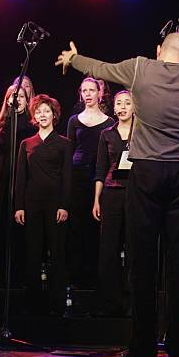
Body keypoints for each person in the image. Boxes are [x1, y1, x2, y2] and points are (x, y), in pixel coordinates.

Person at [55, 33, 179, 357]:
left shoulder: (140, 68)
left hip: (146, 173)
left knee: (143, 263)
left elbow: (101, 68)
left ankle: (143, 347)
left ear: (157, 51)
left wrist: (75, 59)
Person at [15, 94, 72, 314]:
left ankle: (56, 304)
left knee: (56, 252)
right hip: (31, 204)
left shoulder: (64, 143)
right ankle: (33, 304)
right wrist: (19, 206)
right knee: (33, 253)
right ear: (34, 116)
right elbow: (21, 177)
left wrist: (64, 205)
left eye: (47, 111)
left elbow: (67, 177)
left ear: (54, 114)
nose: (42, 115)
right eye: (39, 112)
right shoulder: (26, 144)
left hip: (55, 204)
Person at [66, 77, 114, 289]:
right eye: (83, 90)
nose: (87, 94)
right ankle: (75, 277)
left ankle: (94, 276)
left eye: (91, 90)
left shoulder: (109, 122)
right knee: (76, 227)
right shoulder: (74, 120)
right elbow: (69, 152)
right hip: (77, 176)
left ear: (99, 93)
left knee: (96, 227)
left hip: (99, 177)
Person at [0, 83, 37, 287]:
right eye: (12, 96)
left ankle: (20, 280)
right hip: (1, 184)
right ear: (7, 100)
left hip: (25, 185)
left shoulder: (32, 127)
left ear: (27, 101)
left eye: (21, 97)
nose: (16, 99)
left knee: (22, 233)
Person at [92, 90, 134, 317]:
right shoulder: (107, 134)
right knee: (109, 248)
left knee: (133, 248)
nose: (123, 107)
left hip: (136, 195)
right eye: (119, 103)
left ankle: (131, 303)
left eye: (128, 103)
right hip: (111, 193)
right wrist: (96, 199)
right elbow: (100, 169)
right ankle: (110, 302)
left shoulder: (143, 132)